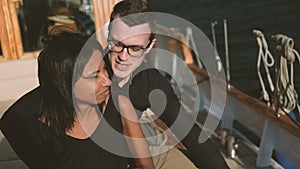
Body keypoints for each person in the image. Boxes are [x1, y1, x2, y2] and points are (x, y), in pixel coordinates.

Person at [0, 27, 154, 169]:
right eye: (94, 76)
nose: (107, 81)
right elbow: (11, 118)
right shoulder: (43, 133)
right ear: (66, 82)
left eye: (104, 69)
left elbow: (145, 165)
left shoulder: (120, 105)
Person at [106, 0, 230, 169]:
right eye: (118, 44)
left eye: (135, 48)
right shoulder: (87, 71)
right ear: (108, 36)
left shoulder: (150, 82)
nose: (123, 56)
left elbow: (192, 136)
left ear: (150, 47)